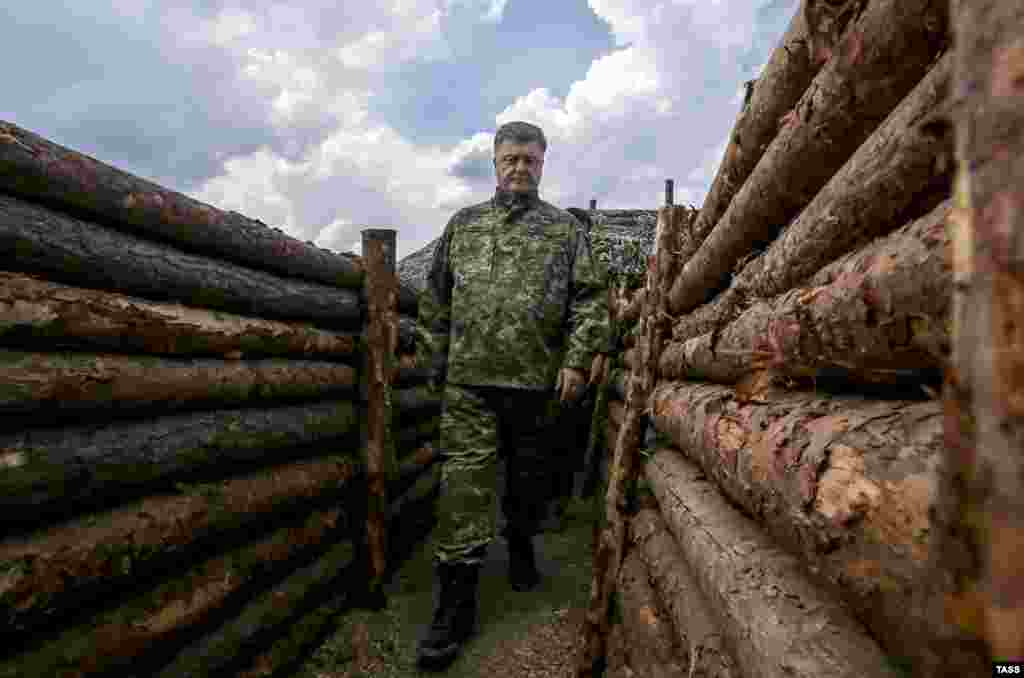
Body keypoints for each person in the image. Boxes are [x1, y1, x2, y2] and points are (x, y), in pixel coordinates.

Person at [415, 121, 610, 671]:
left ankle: (521, 543)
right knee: (464, 489)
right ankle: (455, 606)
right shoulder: (465, 226)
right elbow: (434, 301)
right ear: (495, 164)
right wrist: (435, 365)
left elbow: (590, 300)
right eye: (510, 159)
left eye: (530, 159)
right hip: (469, 385)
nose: (520, 167)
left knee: (526, 484)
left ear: (542, 164)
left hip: (534, 385)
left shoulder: (564, 232)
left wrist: (576, 358)